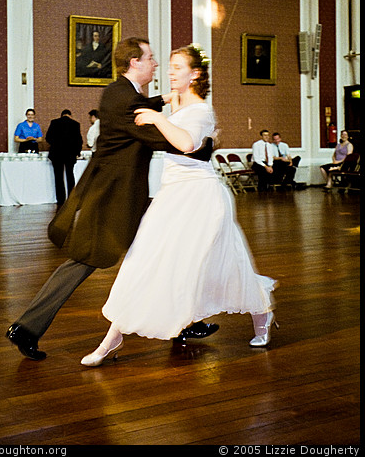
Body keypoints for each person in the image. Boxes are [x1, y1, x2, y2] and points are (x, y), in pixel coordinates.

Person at [6, 37, 216, 360]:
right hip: (115, 200)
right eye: (151, 58)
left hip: (115, 194)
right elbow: (159, 138)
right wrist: (204, 146)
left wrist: (164, 98)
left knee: (162, 252)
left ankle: (186, 322)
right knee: (86, 262)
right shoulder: (127, 100)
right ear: (135, 63)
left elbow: (140, 108)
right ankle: (26, 326)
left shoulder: (121, 92)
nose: (155, 64)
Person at [80, 45, 278, 367]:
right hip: (171, 196)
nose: (169, 72)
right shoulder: (180, 108)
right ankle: (111, 340)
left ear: (195, 74)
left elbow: (187, 144)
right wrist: (164, 108)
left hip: (201, 198)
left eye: (176, 67)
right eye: (168, 67)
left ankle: (263, 317)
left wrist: (159, 117)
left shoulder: (201, 110)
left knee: (225, 265)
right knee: (144, 262)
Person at [46, 110, 83, 208]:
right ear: (70, 115)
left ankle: (60, 199)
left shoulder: (54, 123)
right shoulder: (75, 124)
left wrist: (56, 145)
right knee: (70, 175)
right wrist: (77, 152)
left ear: (61, 115)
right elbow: (79, 140)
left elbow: (48, 138)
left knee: (58, 177)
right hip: (70, 154)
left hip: (57, 154)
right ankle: (71, 198)